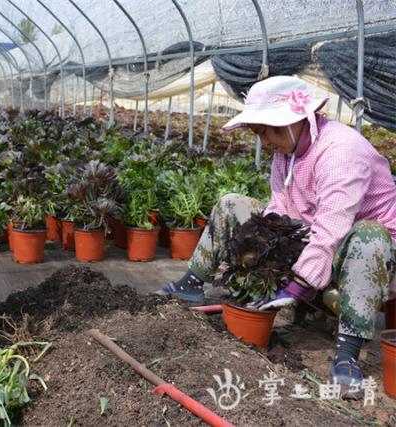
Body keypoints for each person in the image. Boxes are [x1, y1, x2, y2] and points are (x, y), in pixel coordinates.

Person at [157, 76, 396, 387]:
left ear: (292, 121)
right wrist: (261, 247)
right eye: (258, 133)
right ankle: (191, 283)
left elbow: (332, 228)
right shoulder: (287, 151)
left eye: (265, 131)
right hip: (317, 239)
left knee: (368, 235)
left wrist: (297, 286)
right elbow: (280, 209)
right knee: (233, 204)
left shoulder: (341, 151)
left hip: (369, 256)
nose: (263, 142)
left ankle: (347, 353)